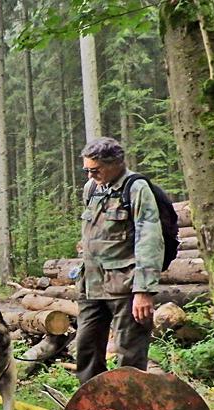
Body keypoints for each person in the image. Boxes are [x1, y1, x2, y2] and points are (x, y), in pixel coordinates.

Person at [75, 137, 165, 384]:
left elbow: (150, 239)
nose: (91, 175)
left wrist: (144, 290)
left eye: (96, 170)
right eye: (87, 170)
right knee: (86, 350)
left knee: (130, 356)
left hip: (126, 287)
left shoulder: (135, 188)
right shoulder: (91, 189)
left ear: (115, 163)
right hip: (91, 285)